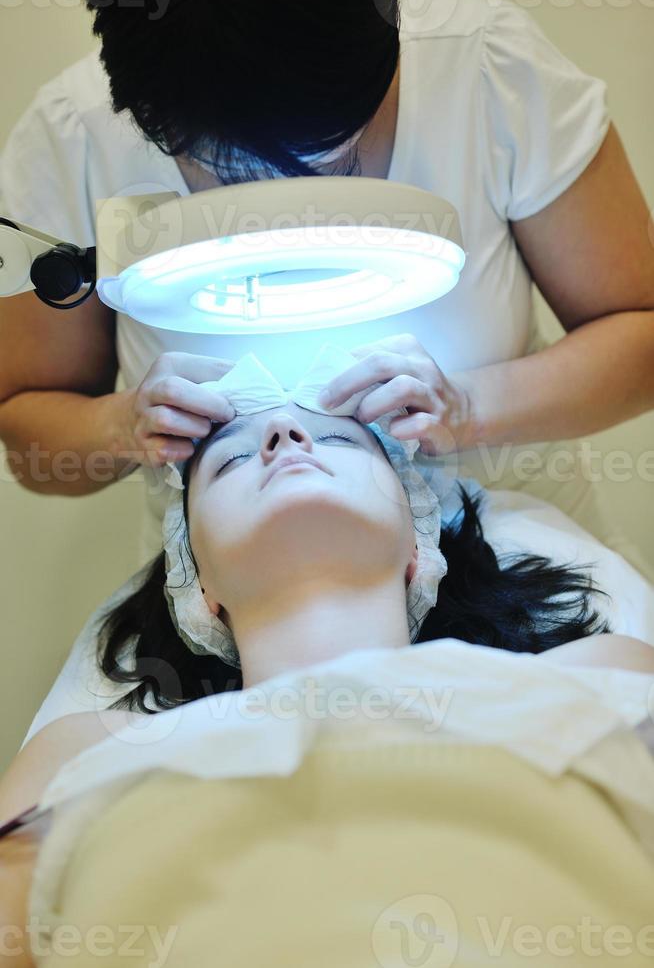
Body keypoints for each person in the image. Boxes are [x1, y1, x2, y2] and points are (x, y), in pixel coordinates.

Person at [0, 0, 652, 574]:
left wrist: (472, 408)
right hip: (241, 627)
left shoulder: (485, 67)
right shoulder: (74, 134)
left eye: (328, 158)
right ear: (147, 116)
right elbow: (32, 435)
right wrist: (122, 427)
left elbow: (639, 331)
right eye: (231, 172)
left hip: (525, 577)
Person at [1, 400, 653, 968]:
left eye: (340, 440)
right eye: (229, 463)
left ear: (419, 554)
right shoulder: (87, 744)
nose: (285, 435)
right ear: (200, 593)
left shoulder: (593, 670)